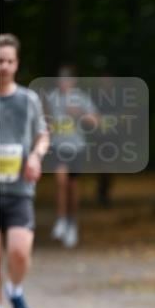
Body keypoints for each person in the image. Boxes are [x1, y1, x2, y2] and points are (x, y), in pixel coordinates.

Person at [0, 33, 49, 308]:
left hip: (18, 190)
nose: (3, 66)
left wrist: (36, 157)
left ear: (16, 64)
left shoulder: (27, 100)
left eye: (9, 61)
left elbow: (42, 135)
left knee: (19, 251)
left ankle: (15, 290)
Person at [47, 66, 99, 248]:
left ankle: (72, 222)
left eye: (67, 79)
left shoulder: (81, 98)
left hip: (76, 147)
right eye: (61, 79)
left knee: (72, 185)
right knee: (60, 181)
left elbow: (95, 121)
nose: (64, 83)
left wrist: (80, 114)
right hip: (57, 146)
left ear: (74, 81)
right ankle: (61, 220)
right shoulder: (52, 97)